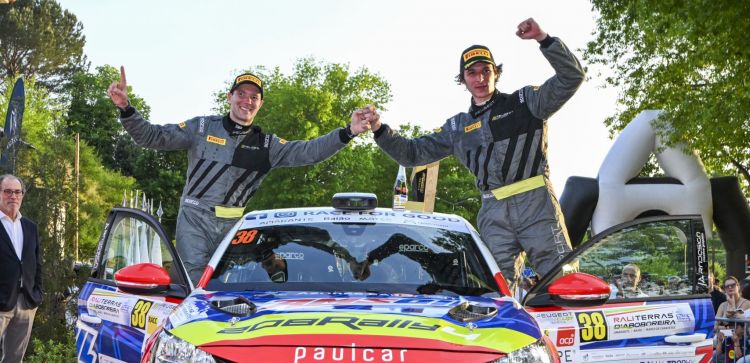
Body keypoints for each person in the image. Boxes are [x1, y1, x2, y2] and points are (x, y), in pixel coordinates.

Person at [365, 18, 585, 289]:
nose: (480, 79)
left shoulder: (526, 101)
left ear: (496, 73)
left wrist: (544, 39)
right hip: (493, 213)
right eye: (472, 73)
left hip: (536, 205)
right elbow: (411, 154)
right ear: (463, 80)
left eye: (486, 71)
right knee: (491, 291)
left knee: (564, 282)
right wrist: (379, 129)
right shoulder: (456, 127)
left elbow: (572, 77)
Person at [107, 67, 373, 283]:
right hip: (194, 220)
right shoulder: (201, 127)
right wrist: (126, 109)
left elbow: (309, 152)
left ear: (260, 104)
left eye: (254, 97)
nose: (247, 101)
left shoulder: (267, 145)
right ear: (230, 97)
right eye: (242, 94)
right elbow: (151, 136)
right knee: (194, 284)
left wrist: (348, 132)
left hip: (234, 228)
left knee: (230, 286)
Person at [0, 174, 42, 363]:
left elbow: (37, 264)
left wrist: (37, 293)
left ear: (22, 196)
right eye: (7, 191)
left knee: (14, 358)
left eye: (17, 192)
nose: (12, 196)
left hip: (25, 301)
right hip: (1, 300)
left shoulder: (30, 227)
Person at [707, 276, 750, 363]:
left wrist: (731, 308)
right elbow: (716, 326)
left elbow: (742, 328)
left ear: (738, 286)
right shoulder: (722, 305)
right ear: (724, 289)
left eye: (732, 285)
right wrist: (729, 328)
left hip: (741, 343)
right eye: (727, 286)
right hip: (724, 342)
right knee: (713, 357)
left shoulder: (746, 303)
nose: (730, 288)